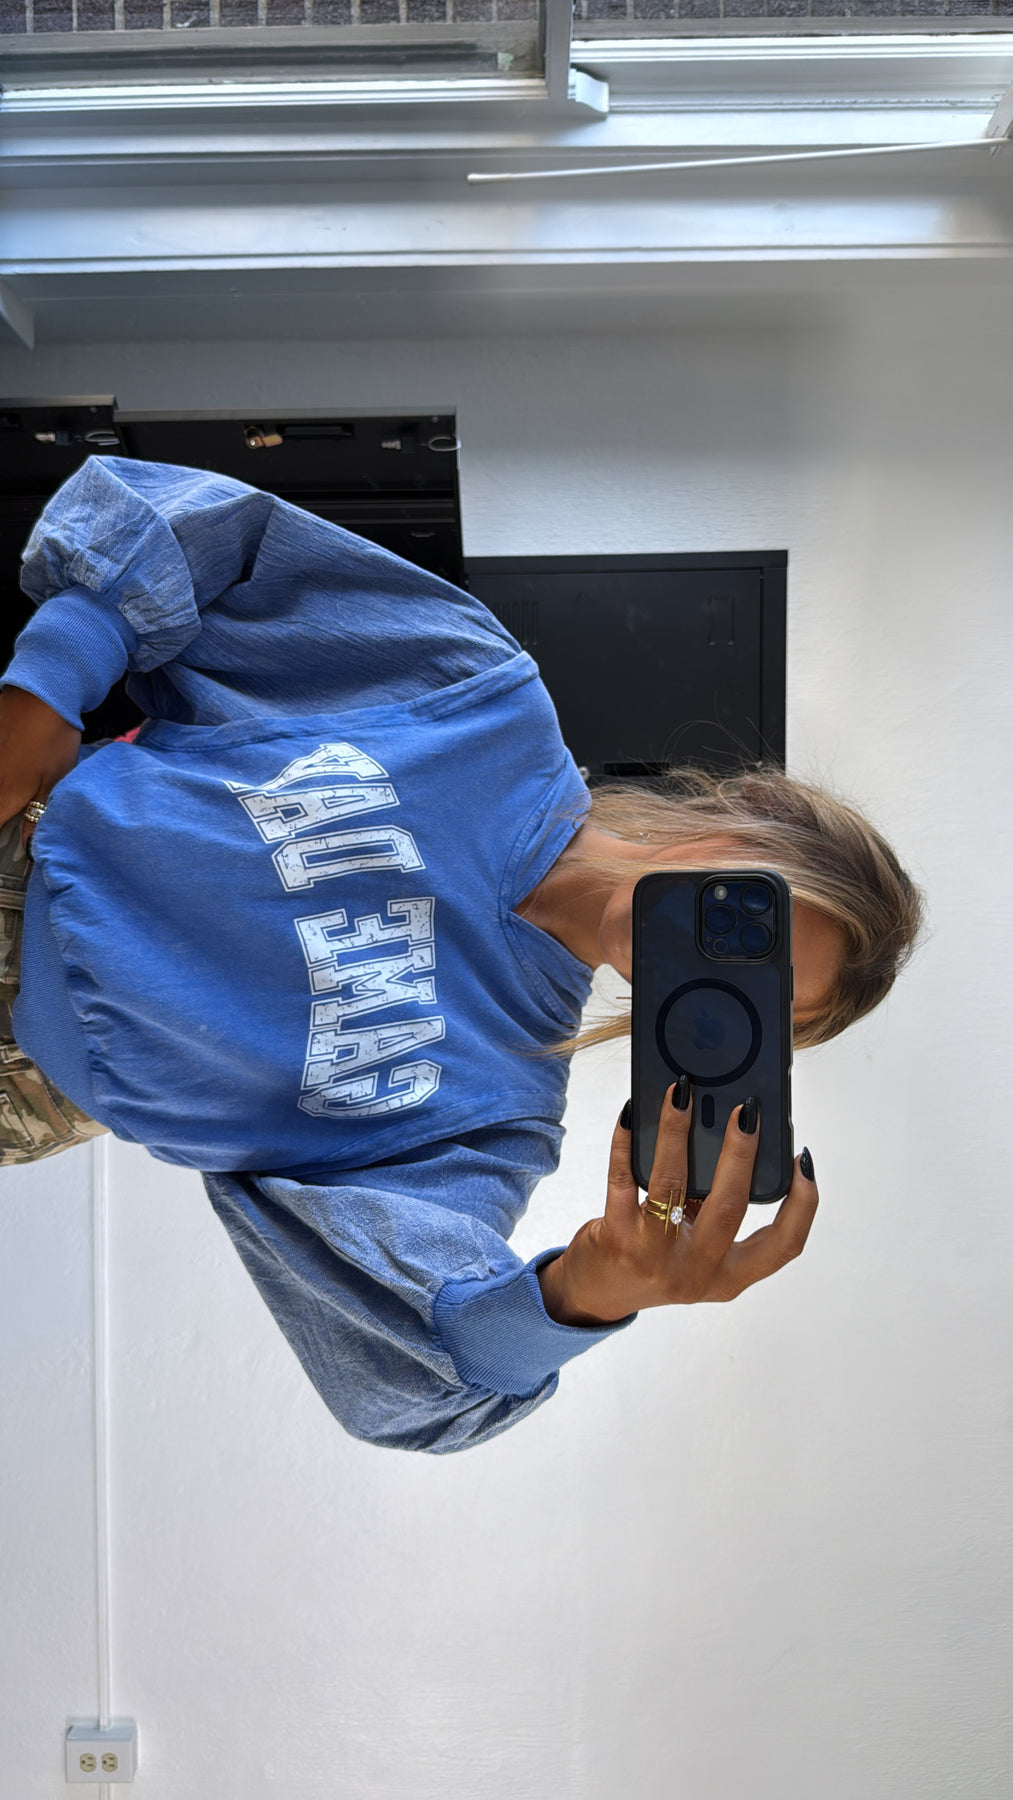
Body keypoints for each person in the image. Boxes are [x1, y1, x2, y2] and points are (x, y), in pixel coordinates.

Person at [0, 457, 923, 1453]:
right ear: (747, 813)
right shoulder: (476, 695)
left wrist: (582, 1294)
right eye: (750, 927)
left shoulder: (499, 1115)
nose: (704, 972)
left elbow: (410, 1391)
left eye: (744, 1005)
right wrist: (50, 681)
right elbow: (207, 531)